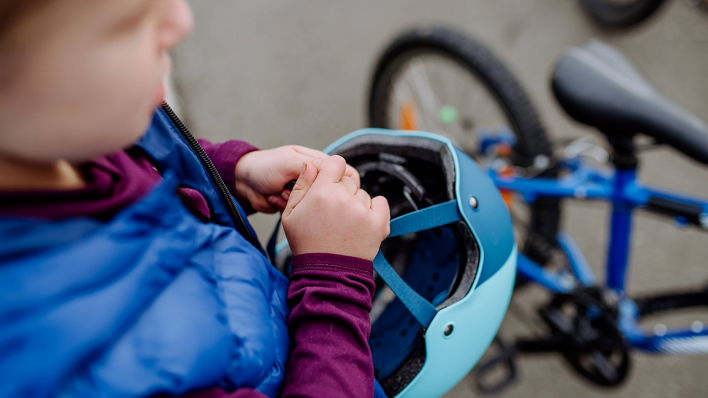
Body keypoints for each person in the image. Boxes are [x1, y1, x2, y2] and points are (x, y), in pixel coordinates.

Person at [0, 1, 389, 398]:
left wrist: (231, 172)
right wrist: (334, 278)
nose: (181, 21)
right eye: (126, 23)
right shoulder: (75, 371)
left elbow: (143, 153)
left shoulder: (58, 140)